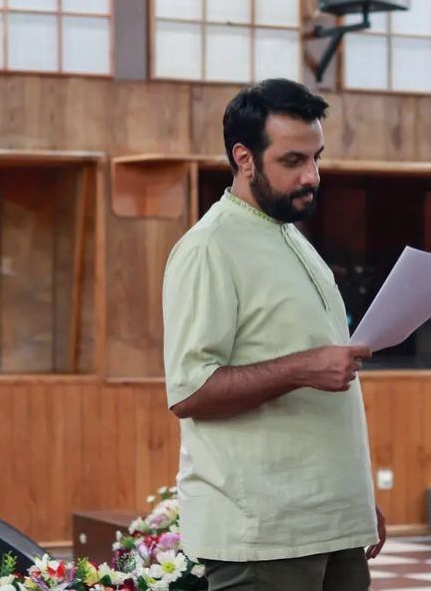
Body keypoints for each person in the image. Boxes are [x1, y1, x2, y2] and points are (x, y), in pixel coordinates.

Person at [162, 78, 386, 591]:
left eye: (316, 158)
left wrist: (355, 497)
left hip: (331, 521)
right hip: (262, 535)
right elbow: (190, 391)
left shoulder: (293, 239)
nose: (311, 176)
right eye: (292, 161)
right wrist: (303, 368)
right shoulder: (210, 248)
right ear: (244, 158)